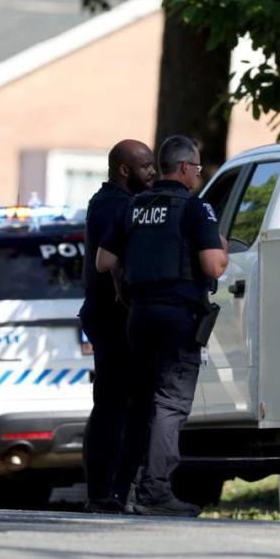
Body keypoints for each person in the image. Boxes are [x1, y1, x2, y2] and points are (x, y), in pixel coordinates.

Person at [96, 135, 227, 517]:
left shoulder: (133, 206)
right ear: (185, 168)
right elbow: (213, 266)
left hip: (139, 316)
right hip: (178, 317)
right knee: (170, 402)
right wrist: (221, 245)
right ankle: (155, 491)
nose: (199, 176)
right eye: (198, 169)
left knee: (142, 402)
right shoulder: (195, 208)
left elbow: (105, 261)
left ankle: (125, 488)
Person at [80, 140, 156, 514]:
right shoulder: (115, 205)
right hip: (112, 317)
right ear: (124, 170)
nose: (152, 173)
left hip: (113, 316)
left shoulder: (113, 202)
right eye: (145, 167)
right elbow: (111, 263)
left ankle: (112, 490)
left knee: (118, 404)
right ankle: (103, 491)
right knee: (113, 405)